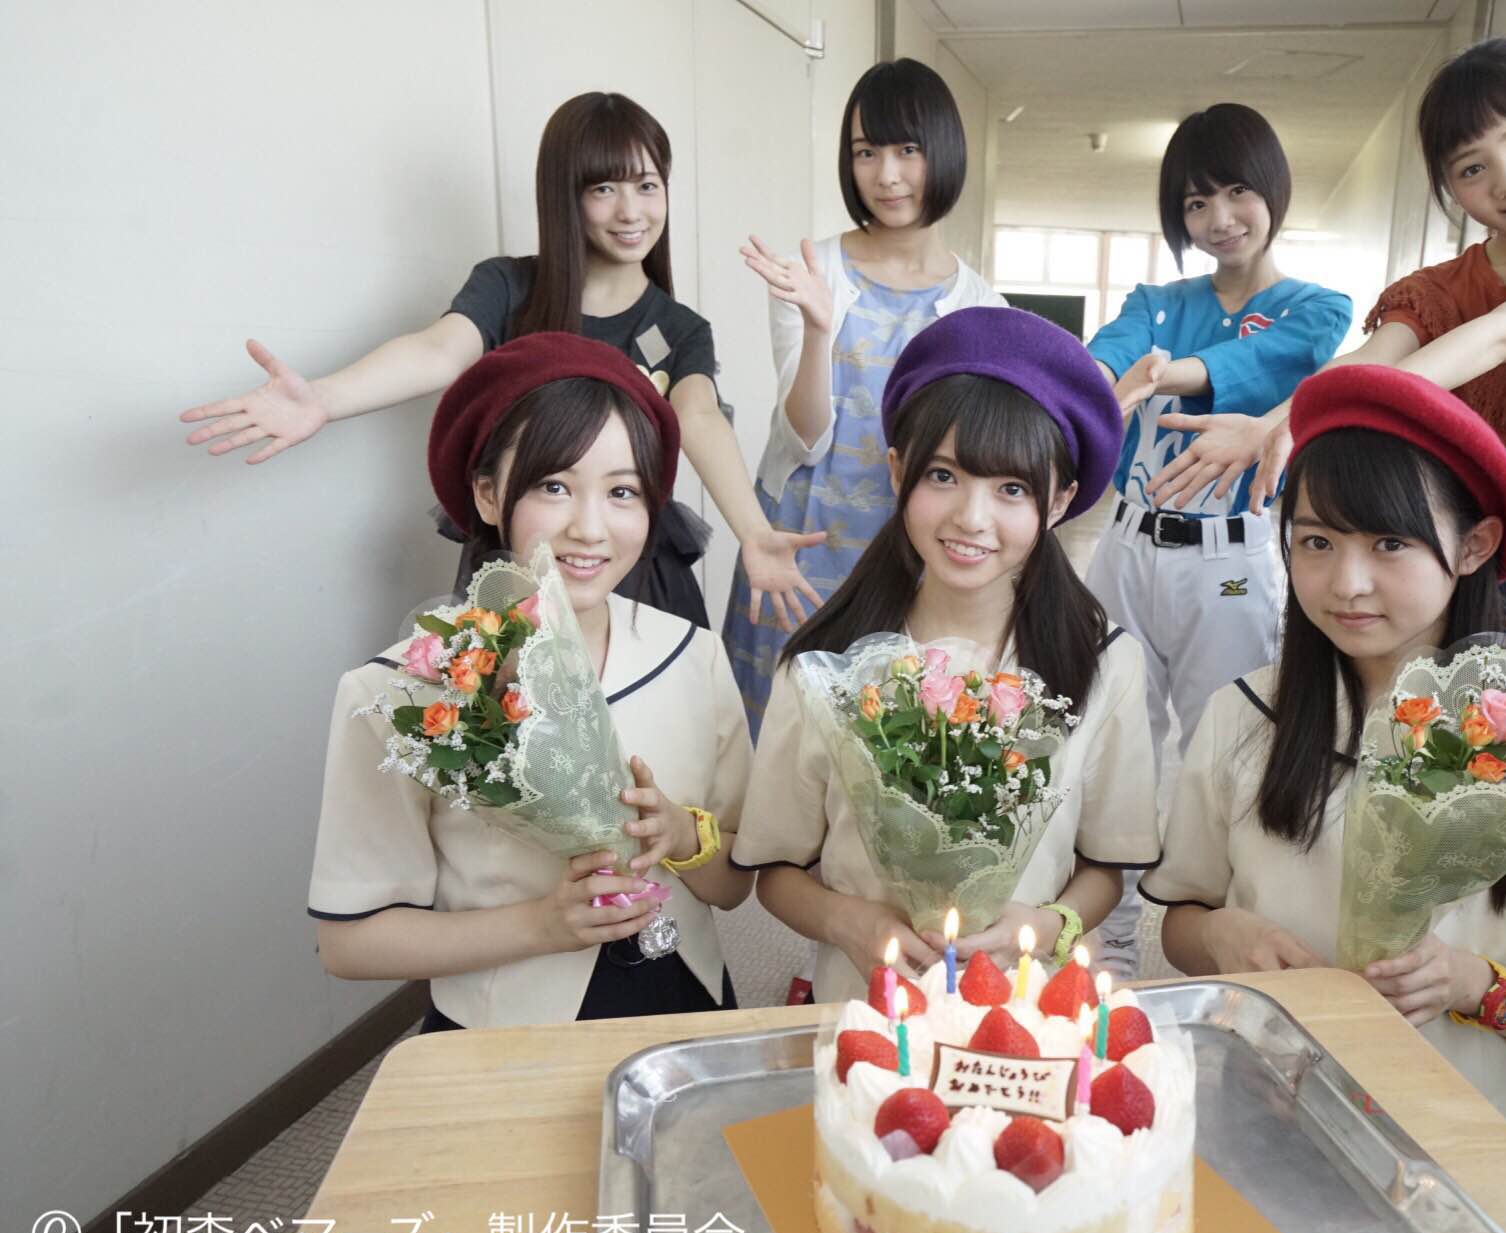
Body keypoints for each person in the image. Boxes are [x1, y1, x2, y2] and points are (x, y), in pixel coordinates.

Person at [1143, 41, 1506, 1233]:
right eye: (1470, 166)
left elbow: (1486, 346)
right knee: (1360, 761)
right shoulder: (1435, 286)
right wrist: (1292, 432)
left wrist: (1347, 428)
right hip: (1421, 508)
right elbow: (1372, 363)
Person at [1146, 364, 1506, 1200]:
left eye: (1388, 544)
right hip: (1265, 1112)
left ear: (1474, 545)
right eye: (1316, 542)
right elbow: (1181, 923)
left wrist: (1474, 986)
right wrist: (1218, 938)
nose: (1346, 582)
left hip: (1467, 1139)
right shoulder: (1241, 715)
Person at [181, 91, 821, 633]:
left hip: (634, 578)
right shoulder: (508, 288)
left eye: (647, 186)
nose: (632, 212)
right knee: (510, 730)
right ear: (565, 196)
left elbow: (699, 416)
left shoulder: (681, 330)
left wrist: (754, 532)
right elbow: (437, 351)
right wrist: (323, 398)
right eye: (604, 188)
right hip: (519, 572)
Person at [307, 333, 752, 1030]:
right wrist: (543, 924)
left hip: (688, 1005)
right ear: (487, 494)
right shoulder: (394, 692)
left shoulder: (694, 654)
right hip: (504, 1032)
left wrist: (682, 835)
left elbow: (733, 888)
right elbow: (349, 944)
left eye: (623, 491)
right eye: (554, 486)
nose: (590, 528)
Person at [732, 307, 1161, 1006]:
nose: (971, 518)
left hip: (1028, 1014)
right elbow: (775, 872)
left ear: (1059, 500)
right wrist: (848, 922)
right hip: (864, 1008)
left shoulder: (1104, 662)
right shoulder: (823, 664)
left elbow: (1105, 869)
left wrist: (1044, 925)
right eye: (942, 476)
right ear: (897, 469)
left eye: (1012, 489)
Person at [1080, 102, 1350, 982]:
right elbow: (1106, 358)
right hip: (1125, 551)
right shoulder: (1155, 302)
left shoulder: (1317, 308)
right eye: (1195, 203)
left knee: (1226, 743)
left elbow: (1254, 367)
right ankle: (1112, 941)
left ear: (1272, 191)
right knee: (1110, 733)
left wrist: (1164, 374)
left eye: (1236, 192)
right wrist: (1092, 381)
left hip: (1228, 564)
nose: (1218, 218)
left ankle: (1229, 938)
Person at [726, 58, 1003, 734]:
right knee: (776, 733)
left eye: (907, 150)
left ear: (943, 152)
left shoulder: (980, 307)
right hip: (800, 545)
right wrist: (819, 328)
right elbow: (805, 437)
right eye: (865, 152)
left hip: (906, 557)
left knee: (884, 739)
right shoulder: (810, 270)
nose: (886, 175)